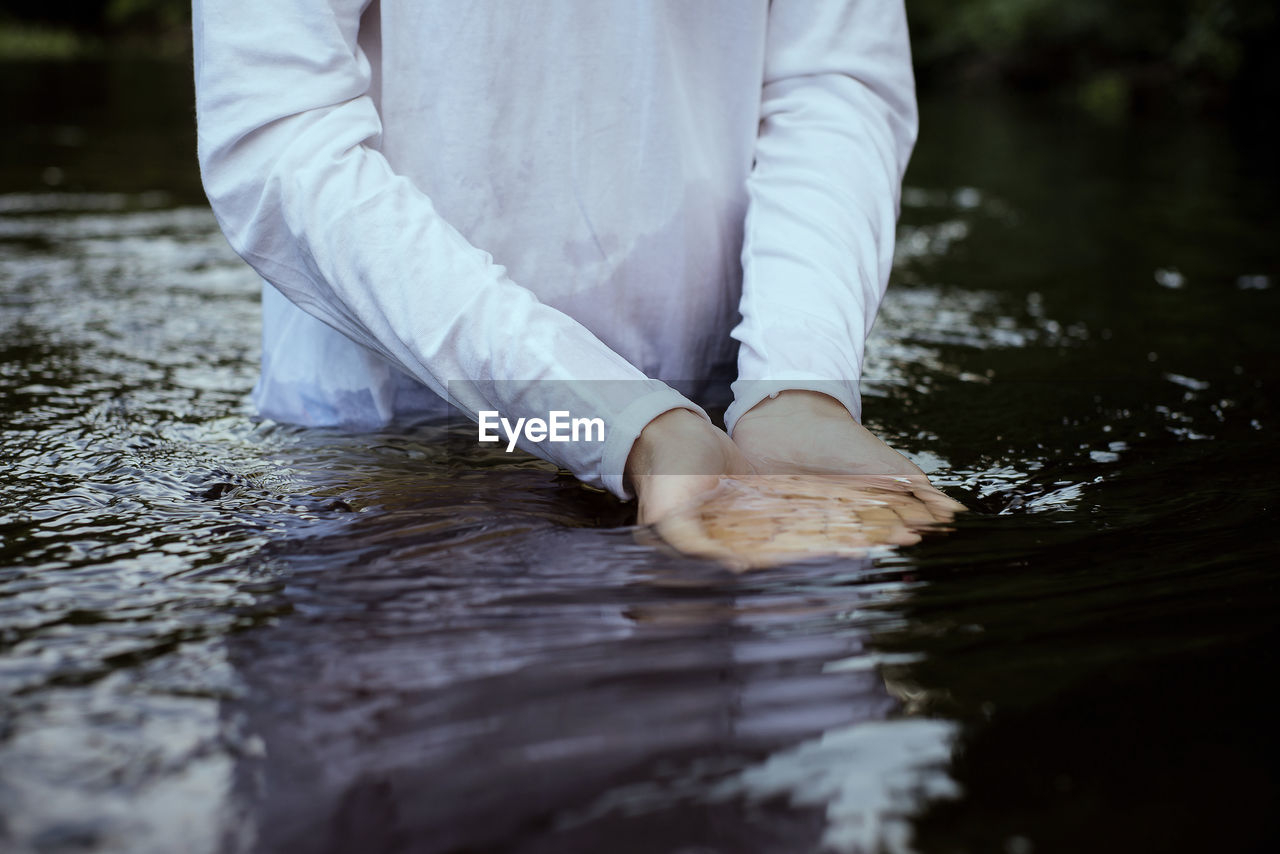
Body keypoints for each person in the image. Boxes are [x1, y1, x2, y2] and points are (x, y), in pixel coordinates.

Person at [193, 0, 959, 557]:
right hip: (388, 442)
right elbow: (283, 132)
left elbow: (830, 80)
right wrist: (615, 418)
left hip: (721, 415)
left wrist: (799, 386)